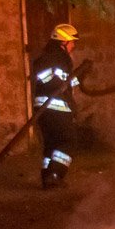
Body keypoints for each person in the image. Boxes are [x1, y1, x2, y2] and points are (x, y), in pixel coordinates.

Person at [32, 23, 83, 189]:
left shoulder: (49, 57)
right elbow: (55, 83)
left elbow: (65, 84)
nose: (73, 46)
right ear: (63, 42)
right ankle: (55, 174)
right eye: (72, 42)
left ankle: (47, 177)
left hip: (43, 110)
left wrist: (81, 76)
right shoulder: (58, 58)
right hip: (56, 109)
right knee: (68, 142)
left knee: (52, 144)